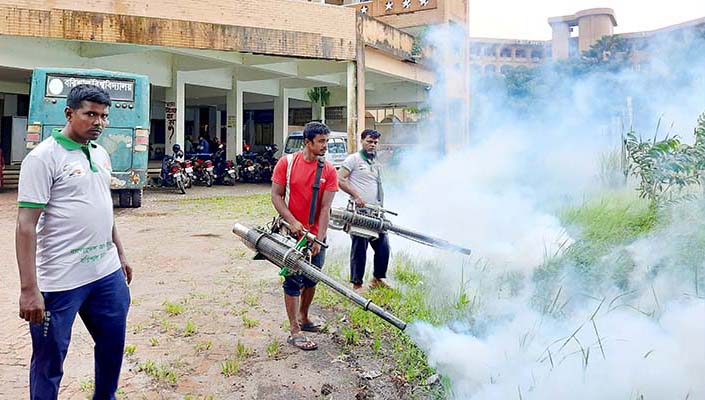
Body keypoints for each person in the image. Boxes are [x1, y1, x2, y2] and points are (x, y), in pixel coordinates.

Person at [15, 84, 133, 400]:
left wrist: (119, 254)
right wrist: (29, 289)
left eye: (104, 116)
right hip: (60, 281)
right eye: (90, 114)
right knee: (48, 362)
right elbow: (26, 226)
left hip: (105, 275)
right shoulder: (43, 158)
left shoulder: (101, 153)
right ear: (69, 113)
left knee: (111, 348)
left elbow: (103, 208)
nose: (99, 122)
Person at [271, 121, 338, 351]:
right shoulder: (287, 164)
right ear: (307, 142)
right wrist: (292, 221)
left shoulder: (328, 170)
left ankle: (304, 316)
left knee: (312, 278)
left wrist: (319, 237)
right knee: (292, 280)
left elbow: (325, 208)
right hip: (291, 235)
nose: (325, 146)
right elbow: (277, 196)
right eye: (321, 141)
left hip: (315, 235)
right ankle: (294, 331)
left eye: (326, 141)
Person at [337, 129, 391, 292]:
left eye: (375, 142)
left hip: (376, 212)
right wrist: (356, 195)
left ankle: (377, 278)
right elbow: (340, 179)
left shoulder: (375, 163)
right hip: (359, 211)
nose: (372, 144)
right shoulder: (353, 159)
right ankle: (357, 284)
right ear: (362, 141)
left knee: (383, 246)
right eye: (369, 141)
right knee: (359, 248)